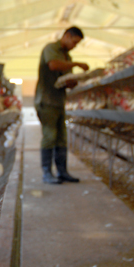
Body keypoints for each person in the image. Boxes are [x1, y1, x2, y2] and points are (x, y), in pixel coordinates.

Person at [35, 26, 89, 184]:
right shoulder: (51, 48)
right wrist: (77, 64)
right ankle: (47, 173)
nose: (75, 46)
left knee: (61, 139)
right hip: (46, 100)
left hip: (59, 101)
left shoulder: (67, 57)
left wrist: (73, 81)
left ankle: (62, 171)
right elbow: (53, 65)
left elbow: (66, 80)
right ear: (66, 36)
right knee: (50, 136)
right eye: (74, 41)